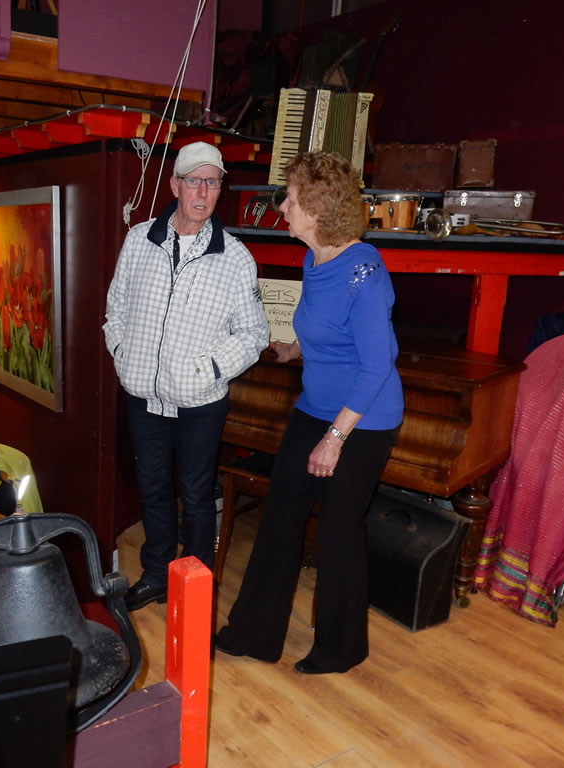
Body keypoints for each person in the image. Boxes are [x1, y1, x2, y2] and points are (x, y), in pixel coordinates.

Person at [213, 151, 404, 674]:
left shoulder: (364, 272)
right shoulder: (313, 259)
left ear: (317, 210)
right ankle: (254, 633)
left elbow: (377, 364)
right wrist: (296, 350)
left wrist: (335, 440)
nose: (283, 208)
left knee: (338, 529)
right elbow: (331, 329)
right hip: (315, 406)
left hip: (363, 418)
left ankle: (342, 648)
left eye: (292, 200)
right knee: (280, 516)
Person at [104, 141, 270, 611]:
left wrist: (209, 369)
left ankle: (194, 589)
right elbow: (116, 308)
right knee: (153, 489)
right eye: (194, 181)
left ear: (219, 189)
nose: (203, 192)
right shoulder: (139, 240)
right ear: (175, 185)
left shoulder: (235, 258)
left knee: (197, 497)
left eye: (212, 182)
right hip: (143, 395)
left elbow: (254, 334)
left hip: (200, 402)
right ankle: (157, 574)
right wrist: (123, 352)